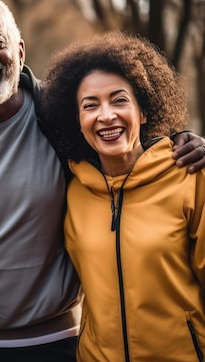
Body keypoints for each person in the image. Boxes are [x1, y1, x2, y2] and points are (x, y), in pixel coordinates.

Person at [0, 0, 205, 361]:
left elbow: (121, 139)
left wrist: (178, 140)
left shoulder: (60, 122)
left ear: (21, 51)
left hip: (59, 343)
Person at [39, 31, 205, 361]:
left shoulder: (190, 176)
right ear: (78, 121)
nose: (106, 115)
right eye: (90, 105)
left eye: (119, 100)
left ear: (143, 112)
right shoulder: (71, 190)